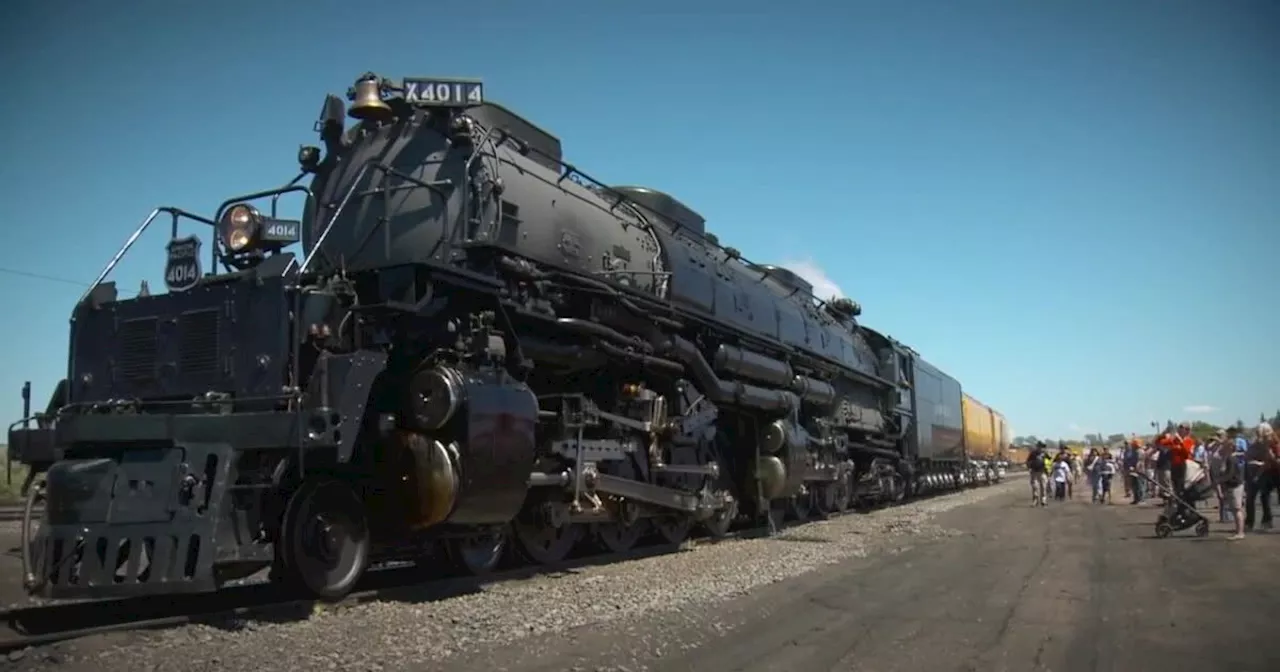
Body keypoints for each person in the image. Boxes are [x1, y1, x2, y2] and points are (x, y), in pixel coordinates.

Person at [1243, 422, 1279, 532]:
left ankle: (1266, 521)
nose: (1260, 437)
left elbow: (1272, 461)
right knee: (1263, 496)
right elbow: (1249, 457)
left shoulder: (1275, 444)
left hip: (1274, 473)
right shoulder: (1259, 444)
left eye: (1262, 435)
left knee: (1265, 496)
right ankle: (1264, 521)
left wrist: (1269, 459)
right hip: (1266, 473)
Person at [1211, 436, 1246, 540]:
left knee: (1237, 509)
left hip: (1235, 485)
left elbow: (1230, 474)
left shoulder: (1231, 458)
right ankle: (1239, 531)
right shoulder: (1229, 458)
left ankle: (1240, 532)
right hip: (1233, 485)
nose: (1222, 448)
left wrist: (1219, 480)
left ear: (1230, 447)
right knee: (1235, 509)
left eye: (1225, 446)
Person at [1122, 439, 1146, 504]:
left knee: (1140, 485)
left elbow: (1139, 461)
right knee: (1134, 485)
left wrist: (1135, 468)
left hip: (1139, 471)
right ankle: (1136, 499)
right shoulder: (1134, 451)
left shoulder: (1140, 451)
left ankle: (1141, 499)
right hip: (1133, 470)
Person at [1026, 442, 1049, 506]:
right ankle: (1035, 500)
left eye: (1042, 447)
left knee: (1043, 487)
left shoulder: (1045, 454)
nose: (1041, 448)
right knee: (1035, 487)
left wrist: (1048, 470)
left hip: (1042, 472)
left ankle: (1043, 500)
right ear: (1037, 447)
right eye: (1039, 447)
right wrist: (1029, 468)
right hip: (1034, 472)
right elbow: (1028, 461)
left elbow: (1049, 461)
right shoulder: (1033, 453)